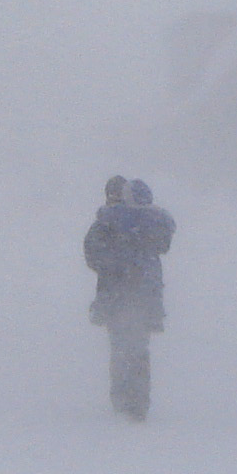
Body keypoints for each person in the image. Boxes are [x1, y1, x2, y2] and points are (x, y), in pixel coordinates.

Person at [83, 176, 175, 418]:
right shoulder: (154, 223)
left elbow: (93, 256)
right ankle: (139, 403)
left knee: (121, 347)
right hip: (147, 294)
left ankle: (123, 400)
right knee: (139, 348)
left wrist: (115, 264)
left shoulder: (109, 222)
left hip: (118, 294)